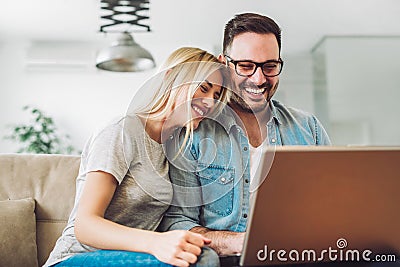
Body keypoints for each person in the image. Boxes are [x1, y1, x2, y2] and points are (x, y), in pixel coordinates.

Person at [159, 13, 331, 257]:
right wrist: (243, 243)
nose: (259, 79)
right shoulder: (194, 131)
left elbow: (331, 209)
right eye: (246, 66)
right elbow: (177, 222)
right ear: (224, 64)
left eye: (270, 66)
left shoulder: (309, 128)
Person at [43, 47, 229, 267]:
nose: (210, 102)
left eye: (216, 96)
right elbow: (85, 226)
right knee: (202, 259)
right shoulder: (121, 130)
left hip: (135, 259)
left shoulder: (174, 148)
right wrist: (156, 243)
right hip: (75, 258)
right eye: (203, 88)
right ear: (170, 79)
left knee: (197, 253)